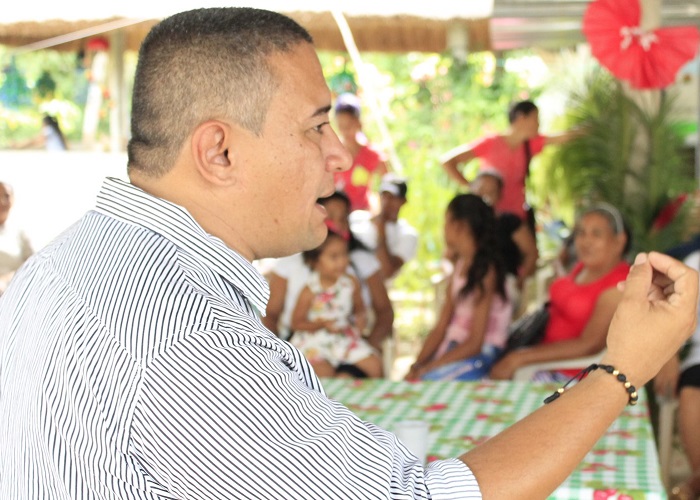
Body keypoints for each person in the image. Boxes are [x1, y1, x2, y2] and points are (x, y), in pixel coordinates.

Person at [0, 7, 697, 499]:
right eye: (315, 128)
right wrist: (622, 368)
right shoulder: (183, 336)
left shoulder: (62, 265)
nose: (340, 157)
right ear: (219, 151)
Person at [490, 203, 632, 381]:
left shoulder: (619, 284)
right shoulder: (582, 268)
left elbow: (590, 345)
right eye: (581, 233)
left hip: (570, 374)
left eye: (596, 234)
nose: (585, 241)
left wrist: (519, 358)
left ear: (619, 241)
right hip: (541, 356)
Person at [263, 190, 394, 358]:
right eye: (330, 218)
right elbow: (271, 314)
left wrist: (370, 343)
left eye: (343, 218)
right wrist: (278, 353)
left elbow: (384, 311)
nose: (337, 225)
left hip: (348, 342)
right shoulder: (291, 260)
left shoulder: (362, 261)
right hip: (303, 347)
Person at [405, 194, 512, 381]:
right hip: (456, 349)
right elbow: (441, 327)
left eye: (446, 222)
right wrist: (417, 365)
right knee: (415, 380)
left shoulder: (486, 272)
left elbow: (475, 343)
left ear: (459, 225)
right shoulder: (460, 266)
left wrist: (430, 367)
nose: (443, 229)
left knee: (428, 382)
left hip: (481, 355)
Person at [440, 100, 576, 227]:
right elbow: (448, 161)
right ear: (521, 117)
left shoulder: (530, 145)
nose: (538, 124)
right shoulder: (491, 143)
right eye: (535, 118)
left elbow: (563, 137)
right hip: (488, 218)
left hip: (516, 218)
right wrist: (470, 186)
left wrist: (584, 129)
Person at [290, 222, 383, 378]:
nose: (342, 262)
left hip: (343, 337)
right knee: (323, 375)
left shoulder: (350, 283)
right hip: (314, 341)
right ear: (314, 262)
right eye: (334, 257)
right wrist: (322, 324)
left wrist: (361, 319)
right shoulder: (310, 290)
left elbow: (359, 308)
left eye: (345, 254)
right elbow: (296, 323)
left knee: (375, 365)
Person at [655, 250, 700, 500]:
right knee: (691, 391)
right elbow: (676, 318)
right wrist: (669, 355)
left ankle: (694, 485)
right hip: (698, 358)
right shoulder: (695, 264)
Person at [470, 168, 538, 305]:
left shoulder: (510, 222)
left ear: (499, 195)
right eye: (481, 190)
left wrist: (520, 281)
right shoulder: (465, 225)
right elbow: (450, 256)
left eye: (491, 192)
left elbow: (532, 253)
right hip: (472, 285)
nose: (485, 197)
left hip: (504, 287)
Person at [349, 173, 418, 283]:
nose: (386, 201)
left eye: (393, 197)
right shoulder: (356, 218)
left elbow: (387, 272)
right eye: (384, 195)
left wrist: (381, 232)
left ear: (403, 201)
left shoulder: (407, 234)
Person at [333, 92, 388, 212]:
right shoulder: (332, 155)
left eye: (349, 125)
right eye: (341, 126)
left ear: (358, 123)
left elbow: (388, 185)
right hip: (337, 216)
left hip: (364, 213)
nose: (345, 131)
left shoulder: (372, 154)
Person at [0, 181, 33, 294]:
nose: (1, 201)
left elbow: (33, 265)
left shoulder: (21, 233)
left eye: (6, 196)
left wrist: (6, 279)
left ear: (13, 200)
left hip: (15, 290)